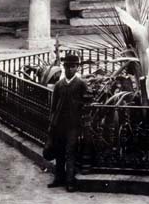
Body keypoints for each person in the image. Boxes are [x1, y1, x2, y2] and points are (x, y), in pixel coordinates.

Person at [47, 52, 89, 192]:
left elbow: (88, 102)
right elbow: (53, 106)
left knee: (70, 152)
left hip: (73, 125)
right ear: (64, 67)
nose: (70, 69)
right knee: (59, 152)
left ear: (77, 68)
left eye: (73, 66)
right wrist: (52, 123)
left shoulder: (81, 84)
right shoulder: (59, 85)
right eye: (67, 66)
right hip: (59, 124)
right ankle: (59, 178)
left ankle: (70, 181)